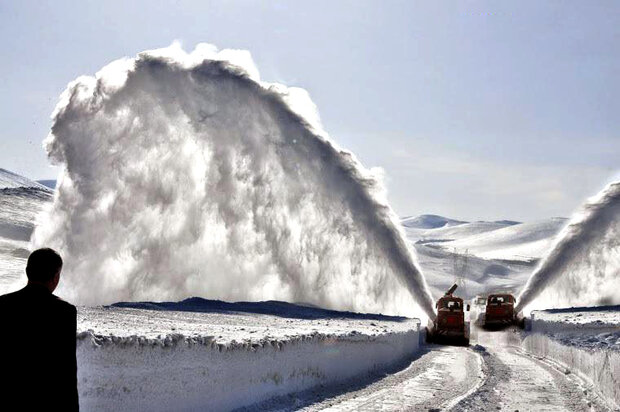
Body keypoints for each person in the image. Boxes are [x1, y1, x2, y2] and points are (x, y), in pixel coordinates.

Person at [0, 248, 79, 411]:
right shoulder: (64, 312)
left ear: (28, 271)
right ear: (56, 277)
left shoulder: (3, 304)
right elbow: (66, 371)